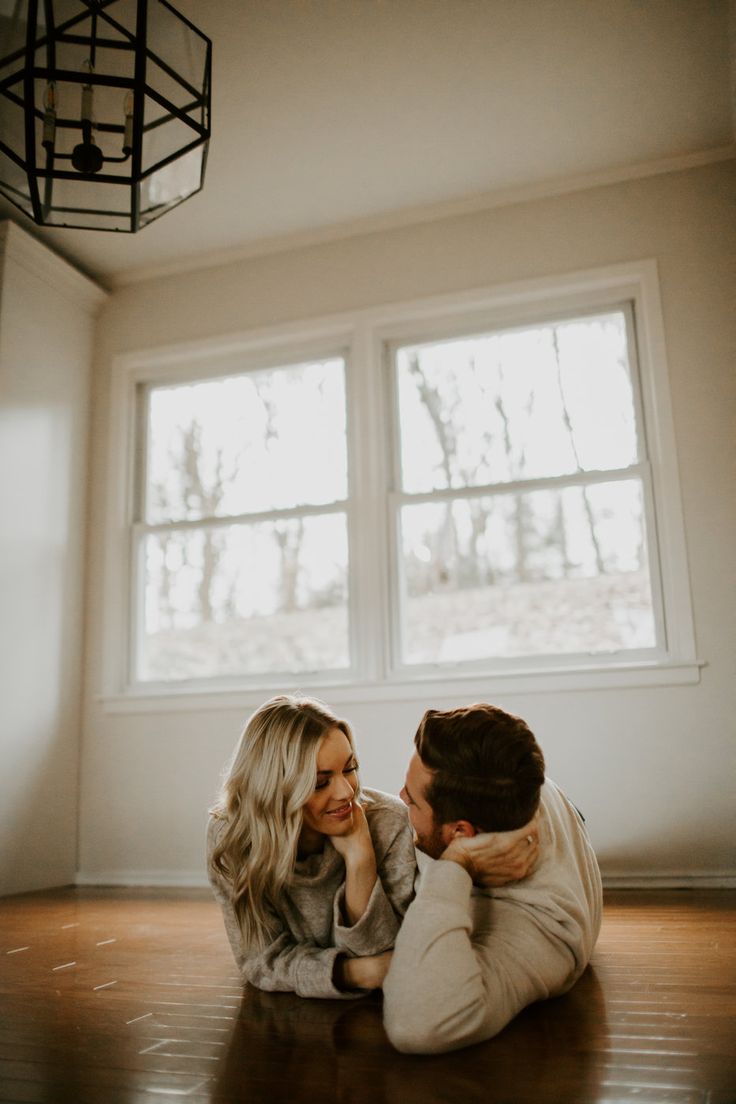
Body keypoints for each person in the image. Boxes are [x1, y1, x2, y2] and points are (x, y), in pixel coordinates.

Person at [378, 703, 603, 1054]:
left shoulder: (542, 935)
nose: (401, 797)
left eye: (413, 801)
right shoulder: (513, 779)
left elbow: (416, 1025)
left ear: (461, 833)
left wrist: (455, 864)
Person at [206, 695, 417, 998]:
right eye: (321, 782)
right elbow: (260, 961)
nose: (346, 792)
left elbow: (387, 952)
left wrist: (361, 860)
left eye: (350, 768)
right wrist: (355, 972)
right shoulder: (232, 836)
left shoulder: (391, 821)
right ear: (275, 789)